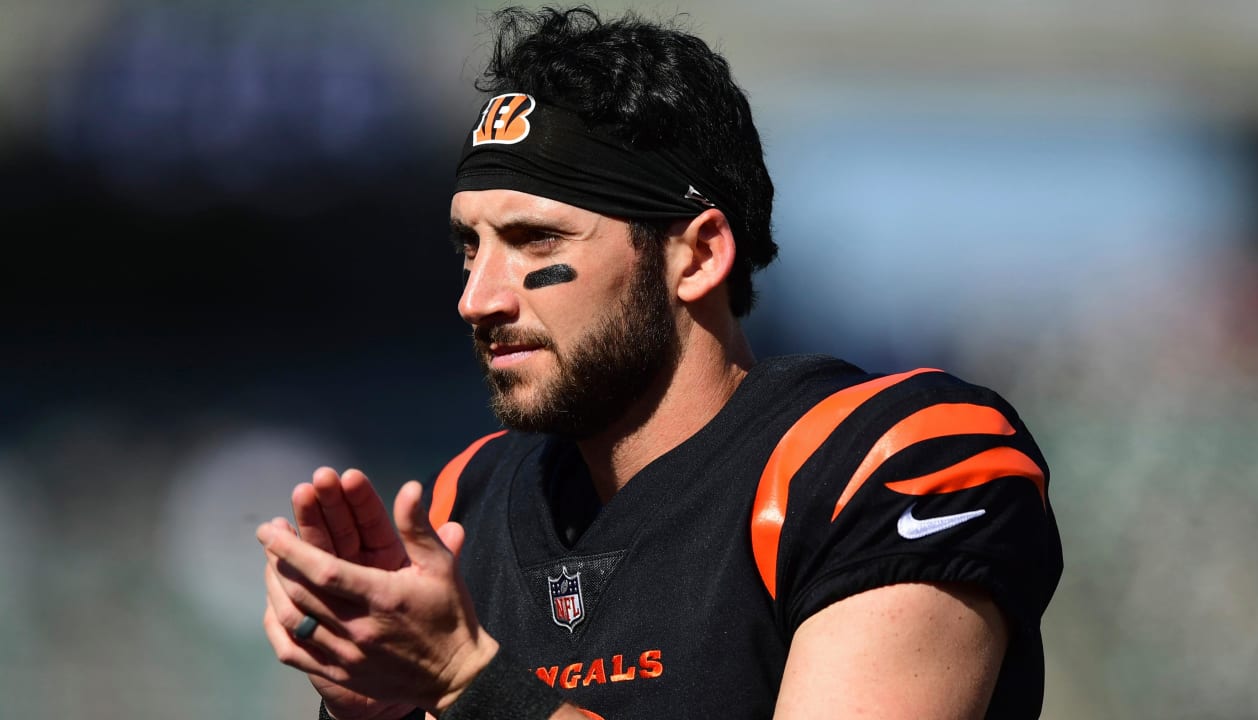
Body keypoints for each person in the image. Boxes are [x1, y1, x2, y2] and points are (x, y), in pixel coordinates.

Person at [257, 6, 1063, 719]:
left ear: (698, 255)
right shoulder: (463, 502)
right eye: (470, 247)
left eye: (537, 239)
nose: (478, 297)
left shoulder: (884, 458)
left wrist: (469, 681)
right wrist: (373, 713)